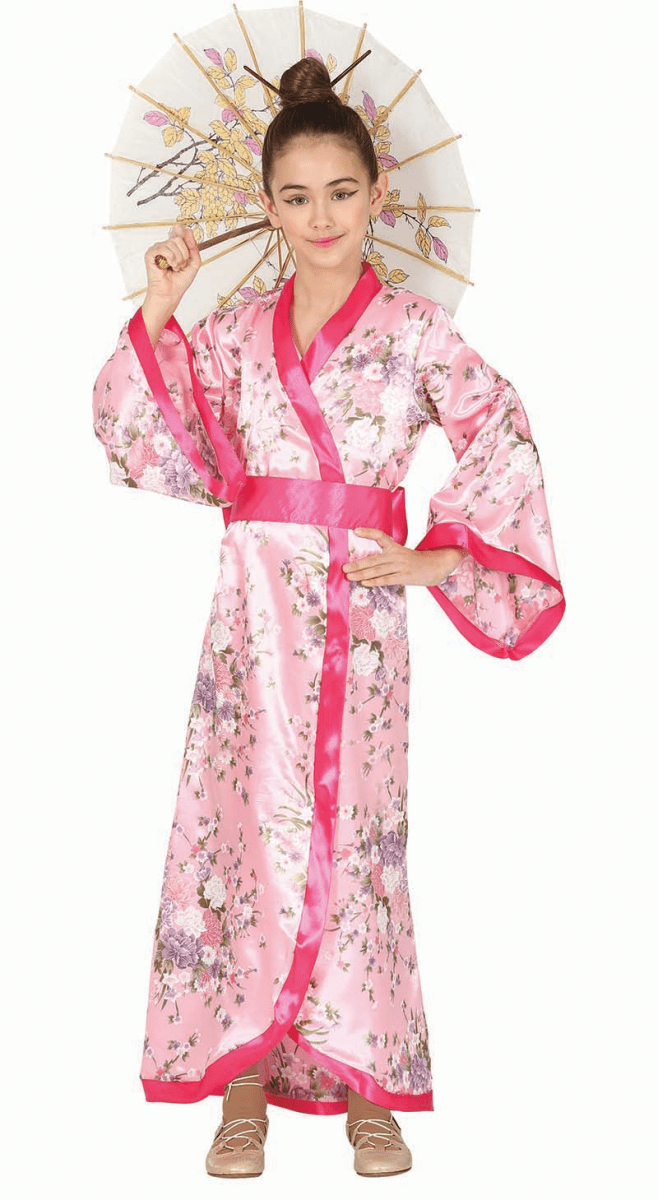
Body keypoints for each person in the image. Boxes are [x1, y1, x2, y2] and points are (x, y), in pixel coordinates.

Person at [92, 55, 565, 1178]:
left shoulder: (414, 331)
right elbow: (149, 437)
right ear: (266, 205)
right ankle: (241, 1081)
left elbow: (500, 427)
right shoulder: (230, 330)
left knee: (357, 837)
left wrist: (441, 553)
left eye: (342, 192)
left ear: (378, 193)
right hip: (251, 621)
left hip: (362, 618)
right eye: (297, 196)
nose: (321, 217)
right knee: (240, 827)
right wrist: (160, 307)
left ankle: (366, 1079)